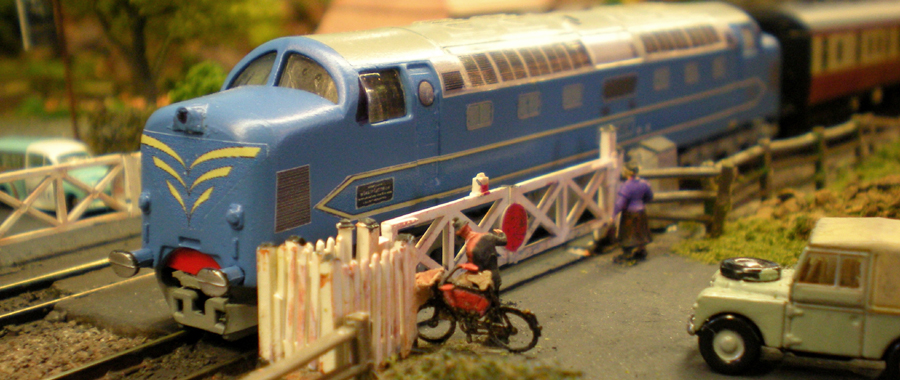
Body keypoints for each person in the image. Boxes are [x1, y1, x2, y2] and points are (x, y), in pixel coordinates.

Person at [453, 218, 507, 300]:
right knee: (495, 296)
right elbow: (504, 241)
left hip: (484, 279)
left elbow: (475, 268)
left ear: (461, 235)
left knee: (487, 299)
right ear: (469, 227)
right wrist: (502, 233)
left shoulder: (470, 249)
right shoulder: (488, 236)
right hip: (495, 274)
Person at [613, 161, 654, 264]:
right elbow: (649, 196)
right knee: (641, 232)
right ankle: (641, 250)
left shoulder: (626, 186)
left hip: (629, 213)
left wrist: (614, 214)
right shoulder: (644, 183)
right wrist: (642, 202)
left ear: (626, 173)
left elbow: (620, 203)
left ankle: (628, 253)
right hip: (641, 211)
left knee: (628, 233)